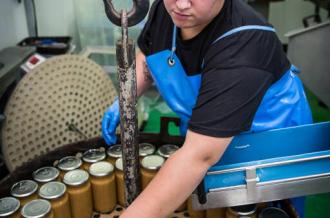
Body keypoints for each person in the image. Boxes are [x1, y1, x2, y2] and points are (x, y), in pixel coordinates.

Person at [102, 0, 312, 217]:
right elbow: (149, 55)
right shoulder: (167, 10)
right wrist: (125, 99)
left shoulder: (245, 42)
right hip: (206, 132)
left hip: (267, 141)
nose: (181, 4)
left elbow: (198, 156)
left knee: (265, 208)